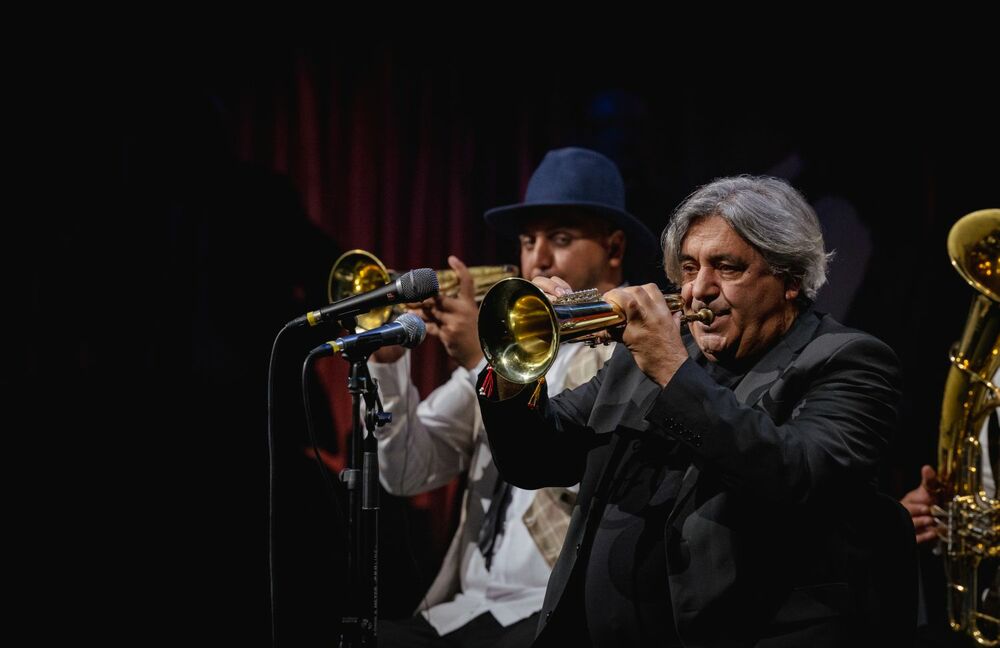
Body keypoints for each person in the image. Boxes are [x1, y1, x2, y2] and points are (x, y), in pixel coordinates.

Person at [477, 175, 906, 646]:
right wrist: (516, 371)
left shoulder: (847, 361)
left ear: (791, 280)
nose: (698, 290)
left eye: (727, 267)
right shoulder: (641, 362)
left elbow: (795, 475)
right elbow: (535, 458)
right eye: (688, 267)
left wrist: (671, 368)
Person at [368, 147, 659, 647]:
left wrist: (481, 361)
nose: (537, 258)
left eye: (561, 239)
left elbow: (567, 460)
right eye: (528, 241)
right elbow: (405, 473)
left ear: (614, 249)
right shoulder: (501, 354)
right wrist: (390, 365)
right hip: (466, 610)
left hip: (555, 609)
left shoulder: (631, 350)